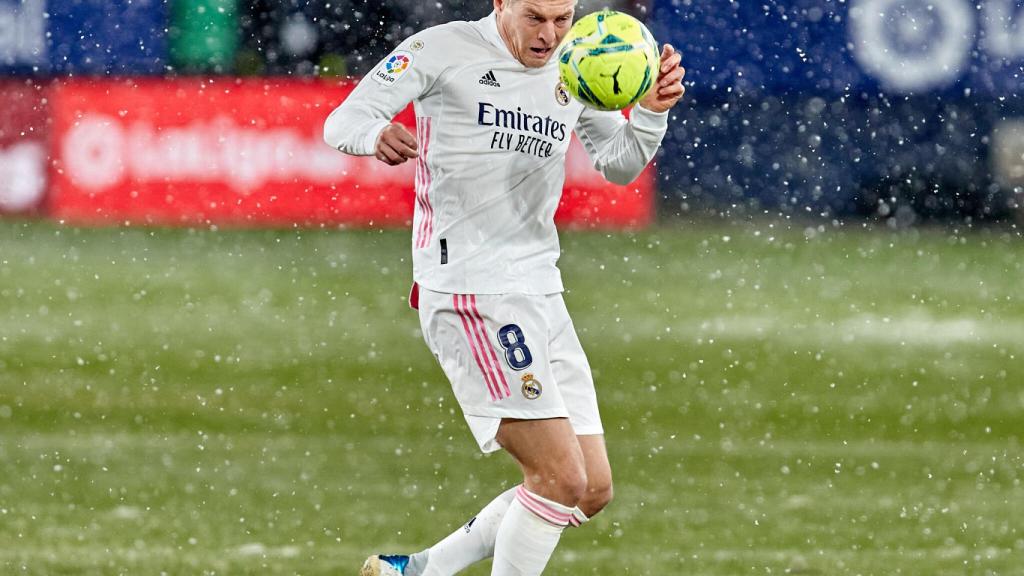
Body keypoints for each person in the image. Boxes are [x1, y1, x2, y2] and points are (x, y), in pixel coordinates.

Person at [323, 0, 685, 574]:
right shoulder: (442, 49)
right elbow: (341, 120)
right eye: (534, 17)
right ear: (499, 4)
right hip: (470, 290)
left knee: (589, 488)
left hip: (540, 288)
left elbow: (616, 164)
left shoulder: (575, 63)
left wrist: (650, 111)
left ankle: (416, 571)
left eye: (562, 19)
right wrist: (374, 135)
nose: (550, 35)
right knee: (558, 478)